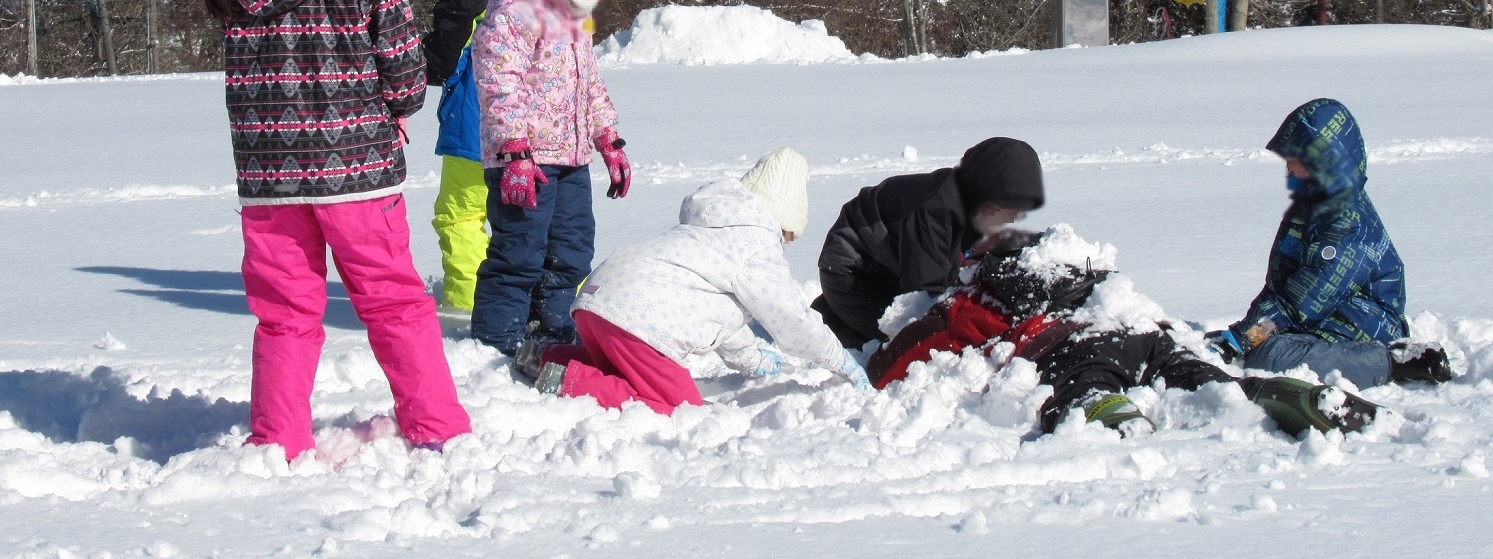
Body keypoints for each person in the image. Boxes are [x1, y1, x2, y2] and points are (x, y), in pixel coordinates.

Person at [202, 0, 471, 460]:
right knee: (394, 302)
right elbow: (407, 76)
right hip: (356, 174)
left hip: (269, 184)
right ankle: (435, 423)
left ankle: (277, 438)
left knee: (284, 315)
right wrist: (391, 110)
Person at [870, 230, 1381, 439]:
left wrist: (876, 364)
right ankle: (1289, 394)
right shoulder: (1074, 269)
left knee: (1088, 383)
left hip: (1075, 347)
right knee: (1201, 378)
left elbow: (899, 361)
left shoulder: (975, 297)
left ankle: (1109, 410)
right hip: (1141, 326)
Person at [536, 148, 872, 413]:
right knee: (677, 406)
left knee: (619, 366)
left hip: (598, 304)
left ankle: (548, 358)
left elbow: (721, 315)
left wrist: (753, 361)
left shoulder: (712, 233)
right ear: (780, 218)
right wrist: (839, 359)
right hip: (636, 323)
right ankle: (572, 383)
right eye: (785, 236)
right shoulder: (754, 246)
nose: (782, 245)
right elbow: (792, 319)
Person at [469, 0, 630, 360]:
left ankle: (552, 325)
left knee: (573, 249)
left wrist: (608, 138)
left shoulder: (575, 16)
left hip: (573, 158)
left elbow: (590, 84)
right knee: (519, 252)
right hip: (528, 162)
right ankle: (497, 343)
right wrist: (515, 151)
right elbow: (499, 84)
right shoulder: (514, 14)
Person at [1208, 98, 1451, 389]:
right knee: (1253, 345)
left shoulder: (1348, 224)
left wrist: (1246, 338)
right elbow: (1280, 286)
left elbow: (1303, 301)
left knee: (1271, 358)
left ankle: (1397, 362)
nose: (1288, 169)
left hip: (1363, 326)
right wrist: (1241, 334)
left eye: (1295, 160)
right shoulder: (1308, 211)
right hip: (1323, 319)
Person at [813, 137, 1045, 348]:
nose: (1013, 216)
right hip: (851, 270)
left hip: (884, 266)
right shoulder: (933, 212)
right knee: (900, 341)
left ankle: (828, 316)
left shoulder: (970, 205)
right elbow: (924, 292)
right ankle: (824, 331)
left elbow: (962, 261)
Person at [424, 0, 534, 315]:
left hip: (478, 118)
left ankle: (468, 302)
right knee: (530, 215)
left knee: (461, 212)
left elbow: (444, 56)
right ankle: (550, 296)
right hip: (538, 120)